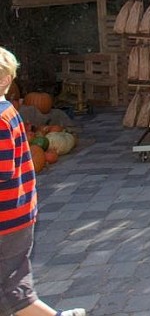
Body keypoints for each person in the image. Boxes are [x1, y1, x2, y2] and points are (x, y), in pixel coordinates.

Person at [0, 47, 86, 316]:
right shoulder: (9, 112)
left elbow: (3, 170)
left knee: (12, 290)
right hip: (16, 215)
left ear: (4, 80)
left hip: (8, 221)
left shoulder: (1, 119)